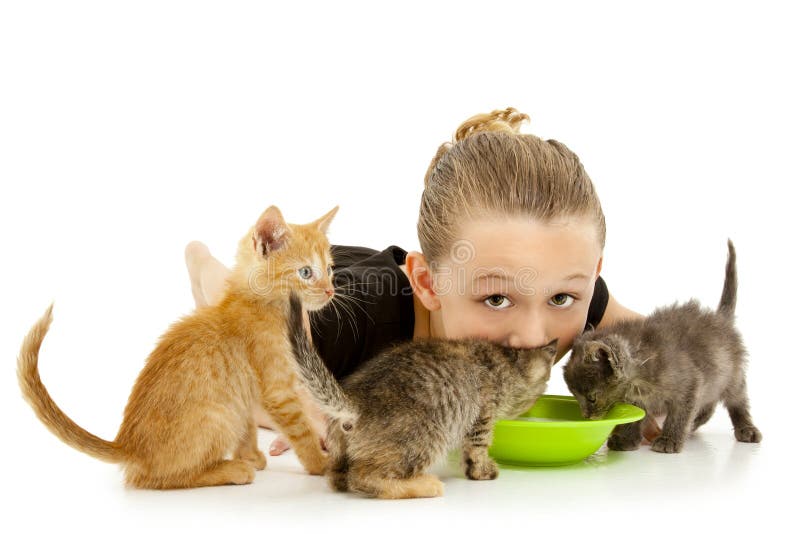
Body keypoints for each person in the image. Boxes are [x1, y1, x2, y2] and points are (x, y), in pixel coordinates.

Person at [184, 107, 660, 456]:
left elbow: (673, 349)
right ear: (427, 285)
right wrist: (311, 414)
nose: (535, 336)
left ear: (590, 277)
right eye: (496, 298)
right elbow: (245, 332)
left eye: (562, 297)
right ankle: (197, 255)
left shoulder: (567, 287)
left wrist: (664, 396)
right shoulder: (357, 327)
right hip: (337, 286)